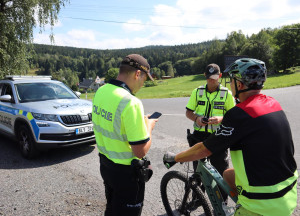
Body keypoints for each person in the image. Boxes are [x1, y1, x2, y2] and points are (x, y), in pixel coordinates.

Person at [163, 58, 298, 216]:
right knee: (226, 175)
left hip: (262, 205)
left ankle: (242, 207)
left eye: (232, 81)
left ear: (239, 84)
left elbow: (204, 149)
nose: (230, 84)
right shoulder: (273, 103)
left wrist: (175, 158)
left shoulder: (240, 113)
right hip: (288, 191)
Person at [92, 54, 158, 216]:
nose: (143, 84)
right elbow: (140, 151)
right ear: (137, 74)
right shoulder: (131, 102)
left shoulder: (101, 91)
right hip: (127, 174)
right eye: (144, 79)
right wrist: (148, 126)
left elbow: (113, 125)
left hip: (106, 164)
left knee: (112, 206)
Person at [186, 63, 235, 200]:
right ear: (204, 76)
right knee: (198, 171)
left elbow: (233, 116)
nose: (211, 81)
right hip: (199, 137)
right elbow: (188, 112)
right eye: (208, 78)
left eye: (214, 78)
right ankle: (197, 199)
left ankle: (222, 203)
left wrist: (221, 118)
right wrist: (197, 118)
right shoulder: (197, 92)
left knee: (220, 171)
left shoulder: (227, 94)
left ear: (220, 76)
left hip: (219, 137)